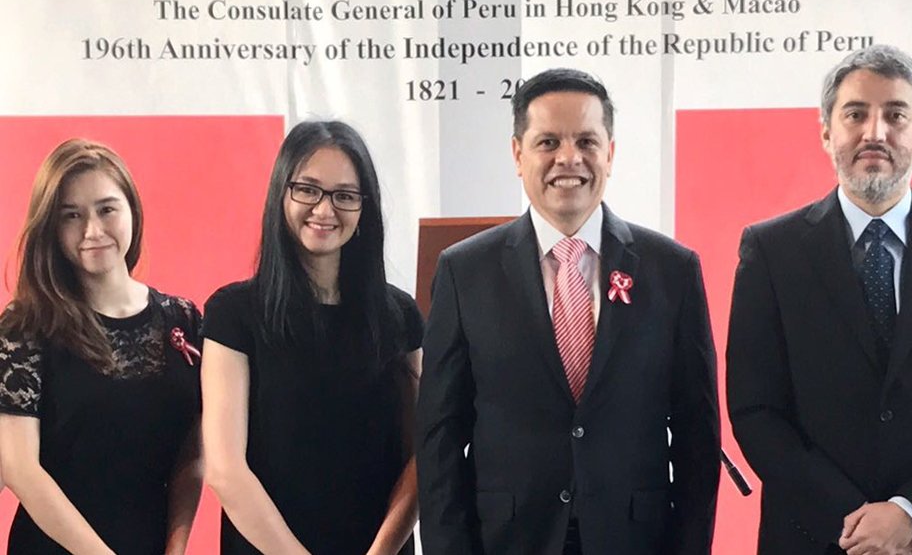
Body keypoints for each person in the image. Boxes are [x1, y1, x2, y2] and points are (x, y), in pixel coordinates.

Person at [416, 68, 721, 555]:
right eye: (548, 142)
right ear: (517, 154)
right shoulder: (464, 271)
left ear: (610, 153)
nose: (568, 158)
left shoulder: (672, 270)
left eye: (586, 141)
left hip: (635, 539)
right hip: (507, 540)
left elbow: (697, 436)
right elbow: (439, 438)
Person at [727, 44, 912, 554]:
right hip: (810, 537)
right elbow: (755, 408)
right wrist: (855, 525)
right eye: (855, 114)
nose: (875, 132)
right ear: (826, 131)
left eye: (896, 114)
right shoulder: (771, 250)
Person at [201, 120, 423, 554]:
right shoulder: (233, 314)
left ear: (364, 208)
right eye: (308, 190)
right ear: (281, 194)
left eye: (345, 195)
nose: (324, 209)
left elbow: (421, 457)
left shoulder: (399, 316)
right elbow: (226, 471)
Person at [0, 138, 203, 554]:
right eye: (71, 215)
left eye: (106, 209)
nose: (92, 230)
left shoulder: (183, 319)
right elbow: (20, 469)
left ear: (132, 210)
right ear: (51, 227)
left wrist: (177, 547)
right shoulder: (25, 326)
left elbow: (191, 456)